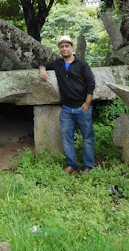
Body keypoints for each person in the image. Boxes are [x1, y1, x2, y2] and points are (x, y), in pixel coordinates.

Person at [39, 36, 96, 174]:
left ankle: (89, 166)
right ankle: (72, 165)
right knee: (66, 137)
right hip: (66, 109)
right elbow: (43, 64)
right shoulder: (58, 63)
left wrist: (87, 102)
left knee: (87, 137)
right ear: (59, 49)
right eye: (62, 46)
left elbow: (91, 83)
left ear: (72, 47)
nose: (64, 49)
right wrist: (42, 70)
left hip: (82, 107)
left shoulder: (81, 64)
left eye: (67, 46)